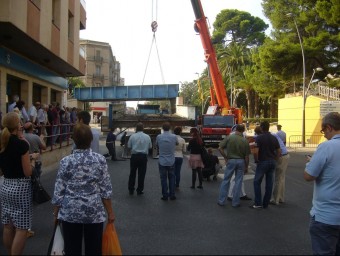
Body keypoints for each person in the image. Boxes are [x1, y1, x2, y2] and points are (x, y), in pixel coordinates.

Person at [51, 123, 115, 255]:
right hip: (94, 213)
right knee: (94, 249)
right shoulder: (100, 160)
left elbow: (59, 190)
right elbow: (105, 189)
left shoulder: (66, 161)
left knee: (72, 249)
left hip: (70, 213)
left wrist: (56, 213)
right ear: (91, 140)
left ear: (73, 139)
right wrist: (110, 212)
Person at [0, 112, 39, 255]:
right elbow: (27, 172)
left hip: (5, 186)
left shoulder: (2, 142)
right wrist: (33, 160)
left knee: (8, 226)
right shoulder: (22, 144)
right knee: (22, 228)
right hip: (21, 188)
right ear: (17, 125)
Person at [304, 112, 340, 255]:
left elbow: (308, 176)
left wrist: (311, 163)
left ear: (329, 127)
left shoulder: (326, 147)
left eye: (323, 130)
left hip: (326, 216)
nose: (324, 134)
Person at [217, 124, 251, 207]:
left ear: (236, 129)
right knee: (238, 181)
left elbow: (220, 148)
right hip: (241, 161)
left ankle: (221, 200)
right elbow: (247, 156)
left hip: (231, 160)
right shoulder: (245, 141)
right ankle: (235, 202)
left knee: (226, 180)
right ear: (243, 131)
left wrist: (225, 157)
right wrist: (246, 166)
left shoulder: (229, 137)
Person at [251, 121, 281, 209]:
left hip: (263, 161)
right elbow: (279, 151)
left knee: (257, 182)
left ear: (262, 127)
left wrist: (256, 160)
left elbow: (256, 151)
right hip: (272, 161)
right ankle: (266, 203)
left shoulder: (259, 138)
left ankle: (258, 203)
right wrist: (275, 159)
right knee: (269, 183)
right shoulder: (274, 137)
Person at [127, 122, 152, 195]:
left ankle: (131, 189)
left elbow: (129, 146)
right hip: (143, 157)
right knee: (142, 174)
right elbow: (150, 147)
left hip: (134, 156)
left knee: (132, 173)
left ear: (136, 128)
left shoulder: (132, 136)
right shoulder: (147, 136)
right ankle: (139, 190)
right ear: (143, 128)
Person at [156, 122, 178, 200]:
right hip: (171, 160)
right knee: (172, 178)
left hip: (162, 160)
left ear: (162, 128)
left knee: (163, 179)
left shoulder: (159, 137)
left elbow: (157, 145)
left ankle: (165, 195)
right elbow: (177, 143)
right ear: (170, 128)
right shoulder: (174, 136)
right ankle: (172, 195)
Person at [270, 132, 290, 205]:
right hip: (286, 155)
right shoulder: (273, 135)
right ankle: (281, 198)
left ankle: (275, 199)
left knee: (278, 178)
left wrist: (275, 160)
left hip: (281, 156)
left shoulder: (270, 137)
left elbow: (278, 151)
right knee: (281, 178)